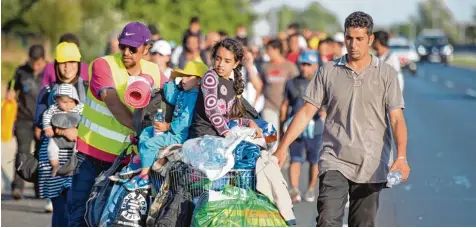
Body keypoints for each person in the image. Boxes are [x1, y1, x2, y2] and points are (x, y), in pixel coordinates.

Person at [274, 11, 410, 227]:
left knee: (362, 223)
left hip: (372, 164)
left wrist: (401, 157)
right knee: (327, 220)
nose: (353, 44)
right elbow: (306, 111)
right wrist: (283, 147)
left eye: (359, 39)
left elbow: (396, 119)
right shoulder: (328, 71)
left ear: (370, 39)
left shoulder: (386, 74)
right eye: (349, 38)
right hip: (334, 159)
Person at [70, 22, 162, 226]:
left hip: (127, 161)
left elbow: (173, 96)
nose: (126, 52)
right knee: (79, 216)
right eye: (123, 46)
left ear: (147, 49)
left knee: (113, 219)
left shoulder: (154, 71)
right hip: (91, 157)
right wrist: (142, 132)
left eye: (133, 48)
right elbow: (112, 101)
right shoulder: (103, 64)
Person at [122, 61, 208, 190]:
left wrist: (168, 127)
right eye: (182, 76)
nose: (183, 80)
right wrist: (172, 78)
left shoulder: (194, 98)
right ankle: (142, 162)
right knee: (146, 132)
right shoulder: (185, 92)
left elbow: (185, 121)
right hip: (172, 131)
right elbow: (170, 97)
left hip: (178, 135)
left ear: (199, 81)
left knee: (150, 144)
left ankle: (144, 177)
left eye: (188, 77)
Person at [34, 41, 87, 224]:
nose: (67, 67)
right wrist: (65, 131)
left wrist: (77, 132)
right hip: (52, 161)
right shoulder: (47, 92)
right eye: (63, 62)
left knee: (79, 209)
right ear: (56, 65)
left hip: (81, 159)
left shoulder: (89, 90)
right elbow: (41, 120)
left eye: (72, 62)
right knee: (60, 211)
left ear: (79, 64)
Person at [188, 38, 262, 139]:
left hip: (220, 137)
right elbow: (212, 111)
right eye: (218, 59)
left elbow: (227, 119)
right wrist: (228, 134)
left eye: (227, 61)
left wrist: (248, 121)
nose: (220, 64)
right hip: (204, 137)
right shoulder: (211, 77)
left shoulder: (233, 84)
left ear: (236, 63)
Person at [280, 50, 325, 204]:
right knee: (295, 159)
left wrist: (325, 112)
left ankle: (311, 188)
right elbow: (285, 104)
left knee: (314, 160)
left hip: (316, 127)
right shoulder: (291, 82)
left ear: (316, 66)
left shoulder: (322, 82)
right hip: (295, 125)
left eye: (308, 65)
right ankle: (294, 189)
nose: (304, 68)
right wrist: (282, 124)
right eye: (302, 64)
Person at [7, 44, 46, 200]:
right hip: (23, 119)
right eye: (32, 63)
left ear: (44, 60)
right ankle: (17, 187)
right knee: (22, 152)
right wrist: (9, 94)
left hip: (43, 120)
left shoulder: (49, 72)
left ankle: (39, 188)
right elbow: (12, 87)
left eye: (38, 64)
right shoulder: (21, 71)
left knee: (41, 154)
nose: (35, 67)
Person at [260, 39, 299, 138]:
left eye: (269, 49)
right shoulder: (265, 66)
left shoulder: (290, 66)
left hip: (287, 106)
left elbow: (297, 85)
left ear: (276, 50)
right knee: (270, 137)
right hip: (269, 105)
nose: (267, 52)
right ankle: (271, 153)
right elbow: (260, 84)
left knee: (286, 135)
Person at [42, 83, 83, 176]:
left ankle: (74, 165)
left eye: (71, 102)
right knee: (51, 148)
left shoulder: (79, 108)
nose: (68, 105)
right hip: (57, 138)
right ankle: (55, 165)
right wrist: (47, 127)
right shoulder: (54, 108)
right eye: (64, 102)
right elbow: (46, 116)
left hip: (74, 137)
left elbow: (85, 117)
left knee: (77, 149)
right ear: (57, 100)